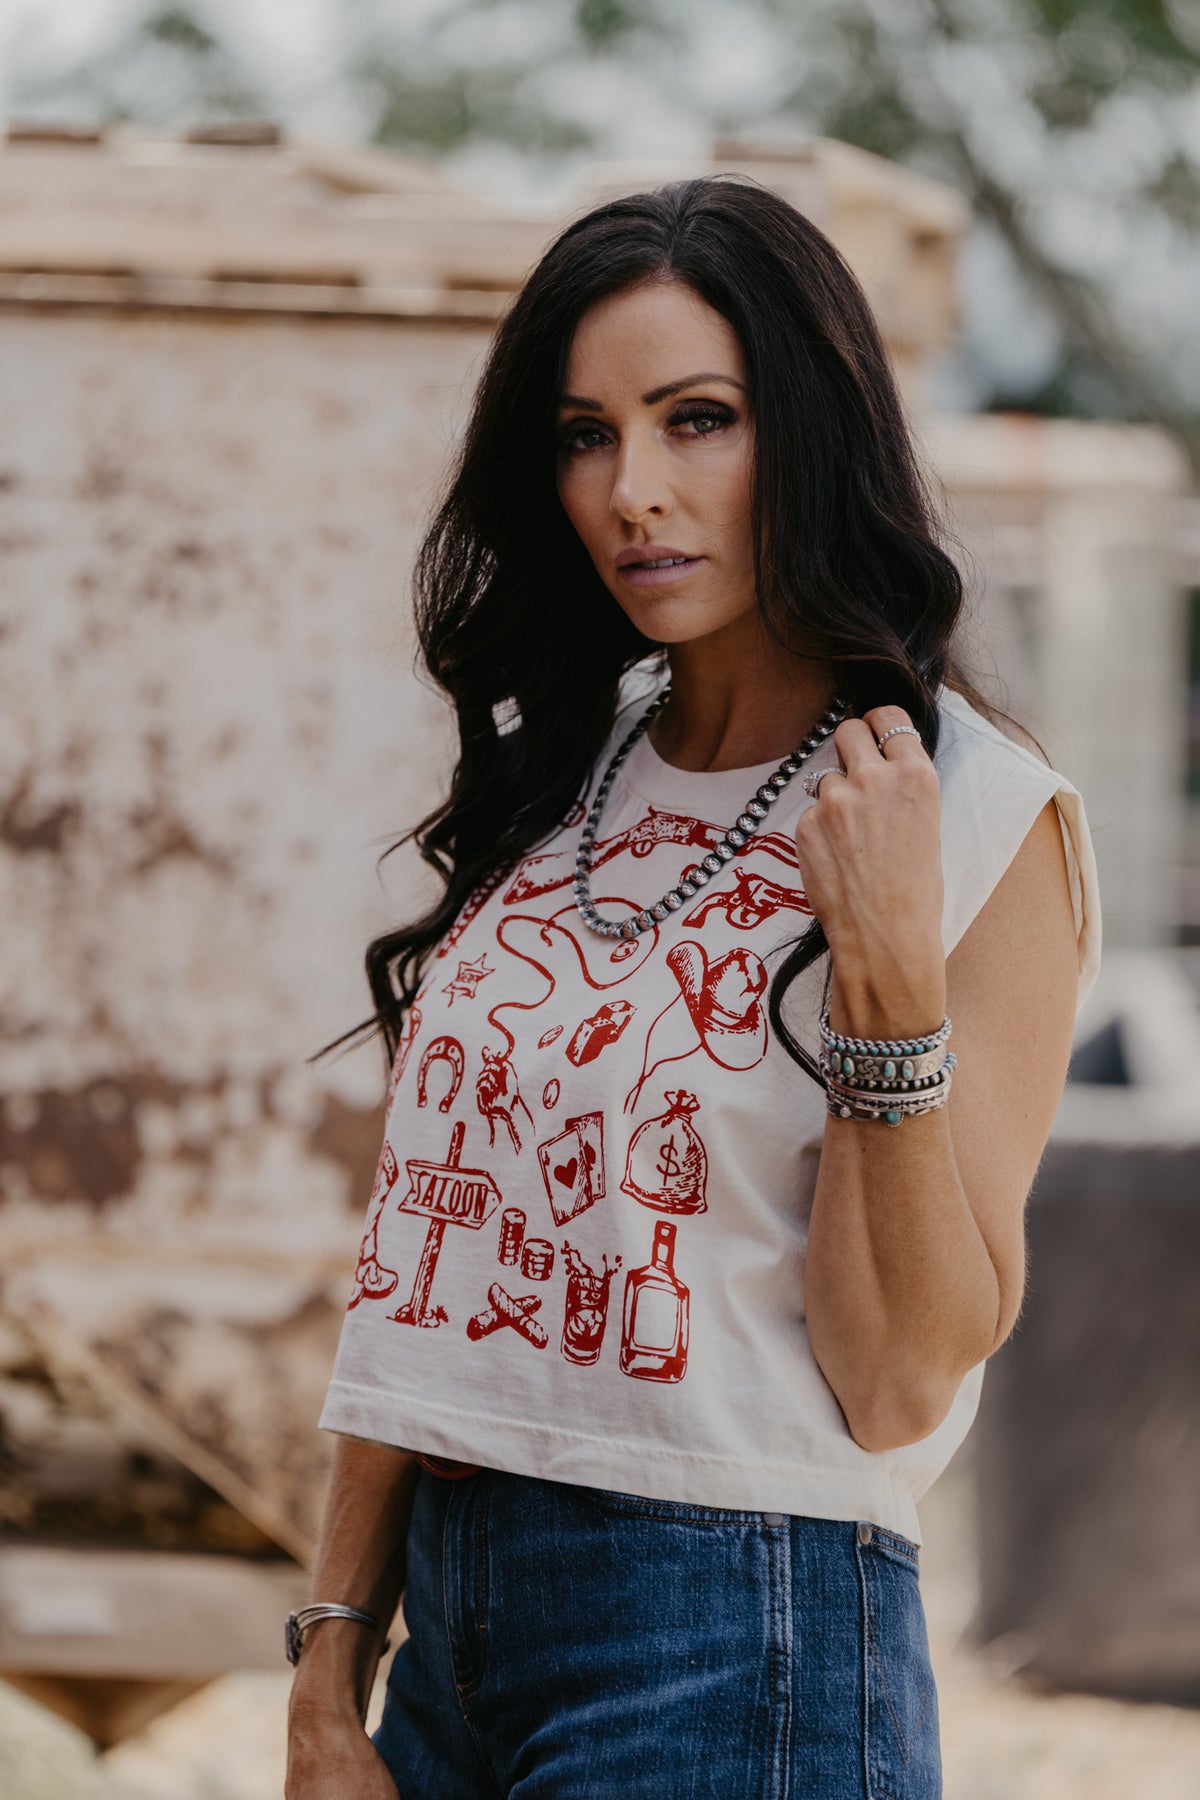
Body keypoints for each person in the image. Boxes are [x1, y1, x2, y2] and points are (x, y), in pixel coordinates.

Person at [285, 176, 1100, 1798]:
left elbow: (897, 1379)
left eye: (698, 420)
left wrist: (884, 980)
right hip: (444, 1639)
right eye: (585, 435)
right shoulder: (559, 776)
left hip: (735, 1634)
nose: (633, 492)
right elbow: (430, 1248)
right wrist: (330, 1658)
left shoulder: (975, 814)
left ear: (814, 431)